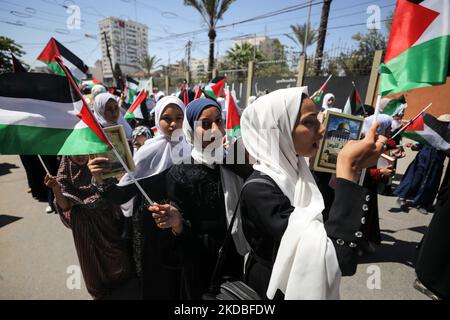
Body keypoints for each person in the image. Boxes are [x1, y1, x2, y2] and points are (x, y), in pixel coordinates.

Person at [238, 87, 387, 300]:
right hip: (273, 287)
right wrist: (347, 167)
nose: (322, 129)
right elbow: (336, 257)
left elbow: (325, 229)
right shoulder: (259, 190)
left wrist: (349, 175)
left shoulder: (300, 172)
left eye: (318, 119)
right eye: (309, 122)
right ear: (277, 130)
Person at [148, 98, 251, 299]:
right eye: (205, 124)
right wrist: (177, 224)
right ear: (189, 130)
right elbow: (177, 239)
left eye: (219, 121)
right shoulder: (180, 174)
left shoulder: (235, 162)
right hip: (200, 263)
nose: (215, 129)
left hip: (236, 255)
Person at [88, 96, 190, 299]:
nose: (173, 124)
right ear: (157, 121)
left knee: (184, 282)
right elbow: (121, 194)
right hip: (151, 230)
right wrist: (101, 179)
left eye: (179, 117)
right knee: (157, 283)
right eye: (167, 118)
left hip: (183, 229)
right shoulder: (146, 152)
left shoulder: (193, 149)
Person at [44, 156, 136, 299]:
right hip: (83, 226)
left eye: (83, 152)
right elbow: (65, 206)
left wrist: (100, 176)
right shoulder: (65, 172)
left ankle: (125, 283)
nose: (80, 156)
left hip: (106, 219)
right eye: (75, 153)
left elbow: (115, 188)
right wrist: (55, 188)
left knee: (117, 253)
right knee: (92, 259)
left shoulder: (100, 163)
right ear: (68, 154)